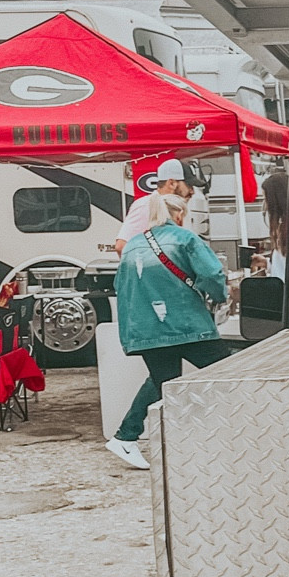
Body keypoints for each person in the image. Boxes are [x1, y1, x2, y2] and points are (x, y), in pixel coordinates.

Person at [106, 191, 229, 470]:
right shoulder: (185, 238)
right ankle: (239, 428)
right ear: (179, 215)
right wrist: (219, 296)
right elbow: (212, 275)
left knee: (163, 379)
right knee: (229, 370)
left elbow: (121, 288)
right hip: (185, 324)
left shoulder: (134, 245)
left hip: (147, 329)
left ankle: (126, 436)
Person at [112, 159, 210, 254]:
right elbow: (122, 246)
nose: (192, 191)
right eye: (189, 185)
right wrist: (153, 266)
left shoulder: (179, 207)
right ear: (171, 183)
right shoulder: (146, 205)